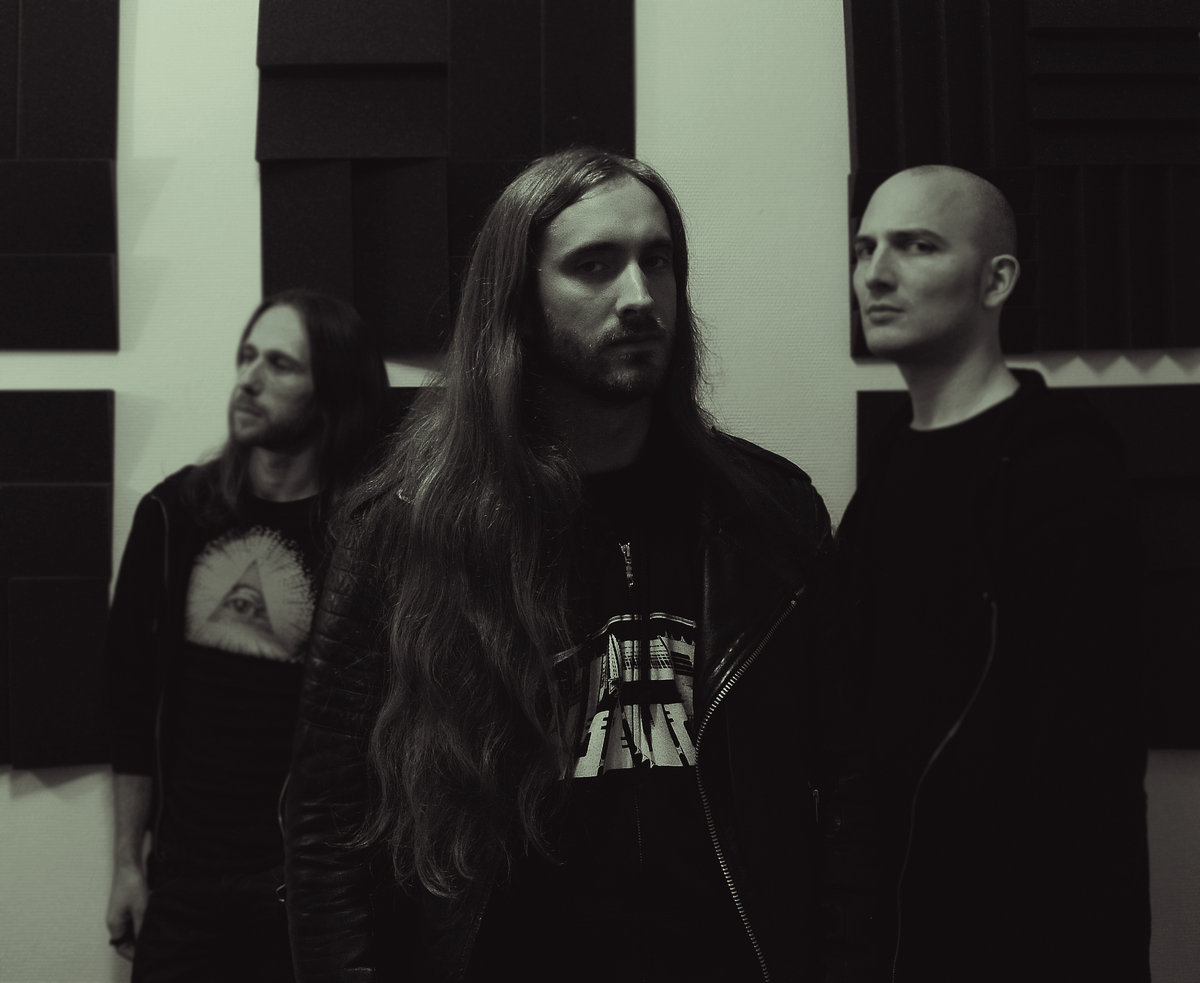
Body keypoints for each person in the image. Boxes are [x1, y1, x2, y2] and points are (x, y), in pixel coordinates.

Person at [283, 147, 851, 982]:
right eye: (595, 265)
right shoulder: (405, 531)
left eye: (658, 260)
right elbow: (327, 823)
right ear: (516, 302)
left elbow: (845, 791)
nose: (640, 295)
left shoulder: (768, 514)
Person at [838, 164, 1150, 980]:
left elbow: (1086, 775)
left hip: (1022, 941)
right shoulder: (891, 467)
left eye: (917, 246)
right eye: (865, 248)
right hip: (900, 934)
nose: (876, 274)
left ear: (996, 279)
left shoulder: (1065, 473)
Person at [103, 289, 389, 981]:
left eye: (279, 364)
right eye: (247, 356)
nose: (248, 379)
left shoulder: (369, 540)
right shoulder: (173, 515)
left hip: (305, 893)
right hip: (183, 885)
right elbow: (130, 703)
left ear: (332, 390)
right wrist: (127, 864)